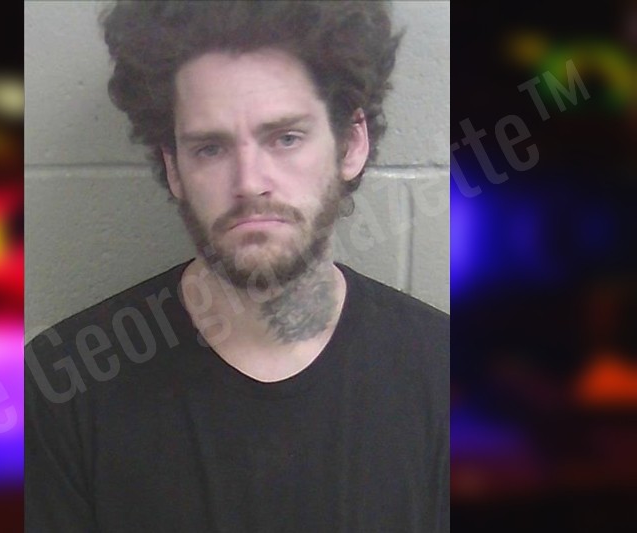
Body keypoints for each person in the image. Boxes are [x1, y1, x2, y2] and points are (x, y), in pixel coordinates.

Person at [25, 2, 448, 531]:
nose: (249, 182)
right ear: (173, 167)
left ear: (350, 144)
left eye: (286, 138)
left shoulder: (447, 378)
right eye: (210, 148)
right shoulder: (66, 386)